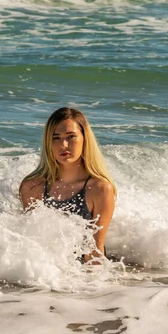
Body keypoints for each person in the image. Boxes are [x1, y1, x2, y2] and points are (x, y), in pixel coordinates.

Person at [19, 107, 116, 264]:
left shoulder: (99, 189)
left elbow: (95, 252)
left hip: (83, 276)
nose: (63, 145)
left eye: (71, 137)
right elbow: (30, 245)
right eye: (56, 138)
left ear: (85, 139)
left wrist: (89, 285)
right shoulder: (32, 186)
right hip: (43, 276)